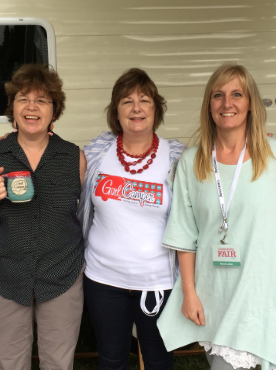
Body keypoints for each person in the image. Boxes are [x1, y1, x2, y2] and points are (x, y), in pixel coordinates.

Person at [156, 63, 276, 370]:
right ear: (209, 105)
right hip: (215, 292)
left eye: (237, 94)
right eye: (218, 95)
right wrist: (189, 293)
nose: (227, 103)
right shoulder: (192, 163)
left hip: (262, 292)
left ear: (251, 102)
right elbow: (184, 234)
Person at [0, 63, 87, 370]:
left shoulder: (74, 157)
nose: (32, 107)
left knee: (59, 363)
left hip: (62, 275)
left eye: (42, 100)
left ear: (54, 110)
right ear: (13, 108)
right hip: (6, 278)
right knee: (9, 363)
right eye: (23, 98)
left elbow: (85, 216)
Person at [78, 68, 185, 370]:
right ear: (116, 111)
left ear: (156, 109)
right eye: (127, 101)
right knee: (111, 361)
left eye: (145, 100)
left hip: (158, 283)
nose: (136, 108)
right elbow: (57, 161)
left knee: (159, 361)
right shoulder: (99, 151)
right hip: (103, 280)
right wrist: (21, 140)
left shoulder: (177, 157)